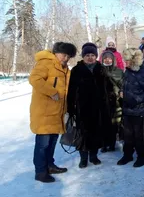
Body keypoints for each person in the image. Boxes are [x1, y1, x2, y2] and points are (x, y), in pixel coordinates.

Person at [30, 42, 77, 183]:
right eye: (64, 55)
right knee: (43, 144)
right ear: (56, 53)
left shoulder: (64, 68)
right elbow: (34, 79)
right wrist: (52, 92)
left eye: (69, 56)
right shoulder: (45, 63)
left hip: (57, 112)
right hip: (44, 112)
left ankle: (49, 165)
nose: (66, 58)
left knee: (52, 141)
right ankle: (40, 171)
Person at [67, 43, 113, 169]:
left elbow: (108, 88)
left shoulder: (101, 68)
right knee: (83, 134)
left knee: (97, 133)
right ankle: (83, 158)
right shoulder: (77, 70)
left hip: (99, 108)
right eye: (87, 55)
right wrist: (71, 108)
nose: (90, 57)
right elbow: (71, 90)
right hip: (83, 108)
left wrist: (109, 101)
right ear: (83, 56)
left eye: (93, 55)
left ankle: (93, 156)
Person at [117, 48, 144, 167]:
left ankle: (141, 156)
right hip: (127, 109)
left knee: (139, 135)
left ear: (134, 61)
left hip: (139, 110)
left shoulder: (143, 72)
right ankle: (127, 155)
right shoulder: (127, 71)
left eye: (128, 60)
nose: (125, 62)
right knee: (127, 135)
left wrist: (136, 99)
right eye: (125, 60)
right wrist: (121, 92)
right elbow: (125, 86)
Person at [101, 50, 124, 152]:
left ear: (113, 59)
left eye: (109, 58)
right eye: (105, 58)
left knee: (114, 124)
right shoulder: (99, 70)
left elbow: (123, 85)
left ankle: (112, 144)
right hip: (102, 101)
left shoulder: (119, 71)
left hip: (115, 101)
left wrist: (120, 92)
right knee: (103, 123)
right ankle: (104, 144)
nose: (107, 60)